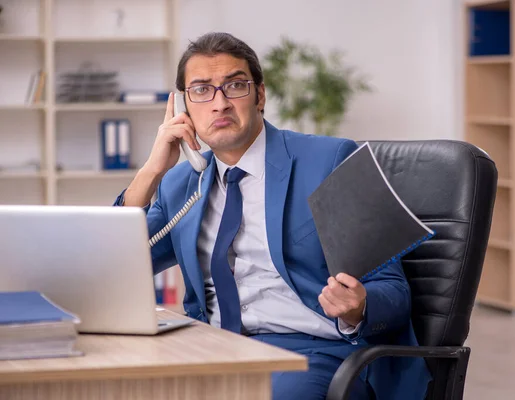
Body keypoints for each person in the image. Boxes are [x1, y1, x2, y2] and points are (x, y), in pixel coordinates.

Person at [115, 32, 431, 400]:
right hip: (211, 348)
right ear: (183, 109)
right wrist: (152, 171)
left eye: (234, 86)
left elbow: (393, 290)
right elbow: (119, 265)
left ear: (260, 96)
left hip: (311, 352)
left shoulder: (328, 161)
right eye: (201, 90)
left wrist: (358, 308)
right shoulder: (181, 185)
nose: (219, 103)